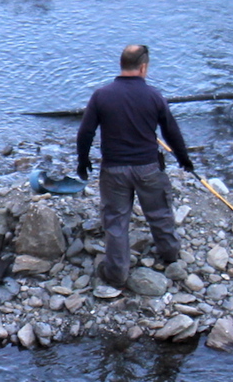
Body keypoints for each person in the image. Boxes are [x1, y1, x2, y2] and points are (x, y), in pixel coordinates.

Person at [76, 44, 194, 288]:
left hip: (114, 170)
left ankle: (117, 273)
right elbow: (171, 131)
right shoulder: (154, 96)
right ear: (143, 67)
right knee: (160, 213)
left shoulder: (101, 95)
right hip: (148, 167)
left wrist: (83, 160)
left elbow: (86, 131)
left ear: (122, 65)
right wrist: (184, 158)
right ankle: (170, 255)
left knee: (116, 222)